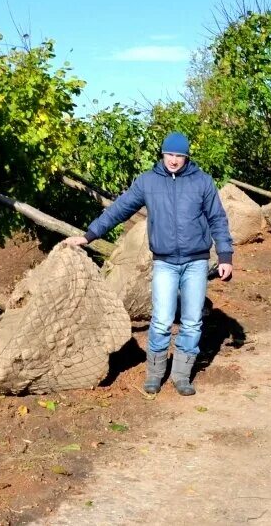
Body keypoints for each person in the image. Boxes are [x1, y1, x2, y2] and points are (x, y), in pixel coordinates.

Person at [63, 131, 233, 396]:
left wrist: (225, 256)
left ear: (187, 157)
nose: (174, 160)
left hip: (196, 262)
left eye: (179, 155)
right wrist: (89, 235)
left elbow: (218, 219)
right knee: (162, 319)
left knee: (191, 322)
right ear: (162, 154)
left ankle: (181, 376)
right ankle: (154, 374)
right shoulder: (148, 182)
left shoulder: (202, 182)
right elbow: (119, 209)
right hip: (164, 262)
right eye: (169, 154)